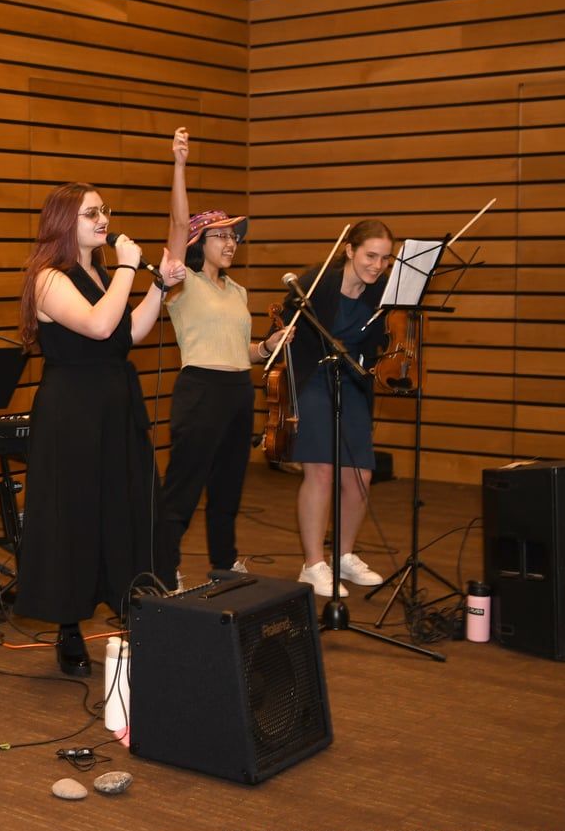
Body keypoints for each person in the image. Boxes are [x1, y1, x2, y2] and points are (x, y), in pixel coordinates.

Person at [12, 184, 183, 676]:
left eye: (104, 210)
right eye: (92, 212)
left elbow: (128, 331)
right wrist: (130, 267)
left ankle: (130, 605)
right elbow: (98, 326)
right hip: (73, 411)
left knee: (126, 504)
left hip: (115, 403)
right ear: (66, 222)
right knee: (75, 514)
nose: (103, 218)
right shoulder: (47, 278)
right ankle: (68, 627)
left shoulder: (98, 271)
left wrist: (160, 287)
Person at [156, 128, 292, 583]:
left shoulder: (237, 290)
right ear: (199, 243)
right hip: (200, 391)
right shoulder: (182, 282)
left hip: (237, 391)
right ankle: (164, 566)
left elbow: (240, 350)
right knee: (183, 488)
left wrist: (266, 348)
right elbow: (177, 226)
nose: (232, 243)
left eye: (235, 237)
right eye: (222, 236)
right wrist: (179, 165)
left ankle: (223, 564)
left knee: (228, 490)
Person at [280, 220, 394, 598]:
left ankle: (344, 554)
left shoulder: (382, 293)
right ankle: (313, 565)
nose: (376, 266)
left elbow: (383, 341)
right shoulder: (318, 282)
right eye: (370, 256)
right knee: (322, 471)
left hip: (354, 377)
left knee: (360, 474)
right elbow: (289, 322)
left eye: (384, 259)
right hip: (313, 376)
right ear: (349, 250)